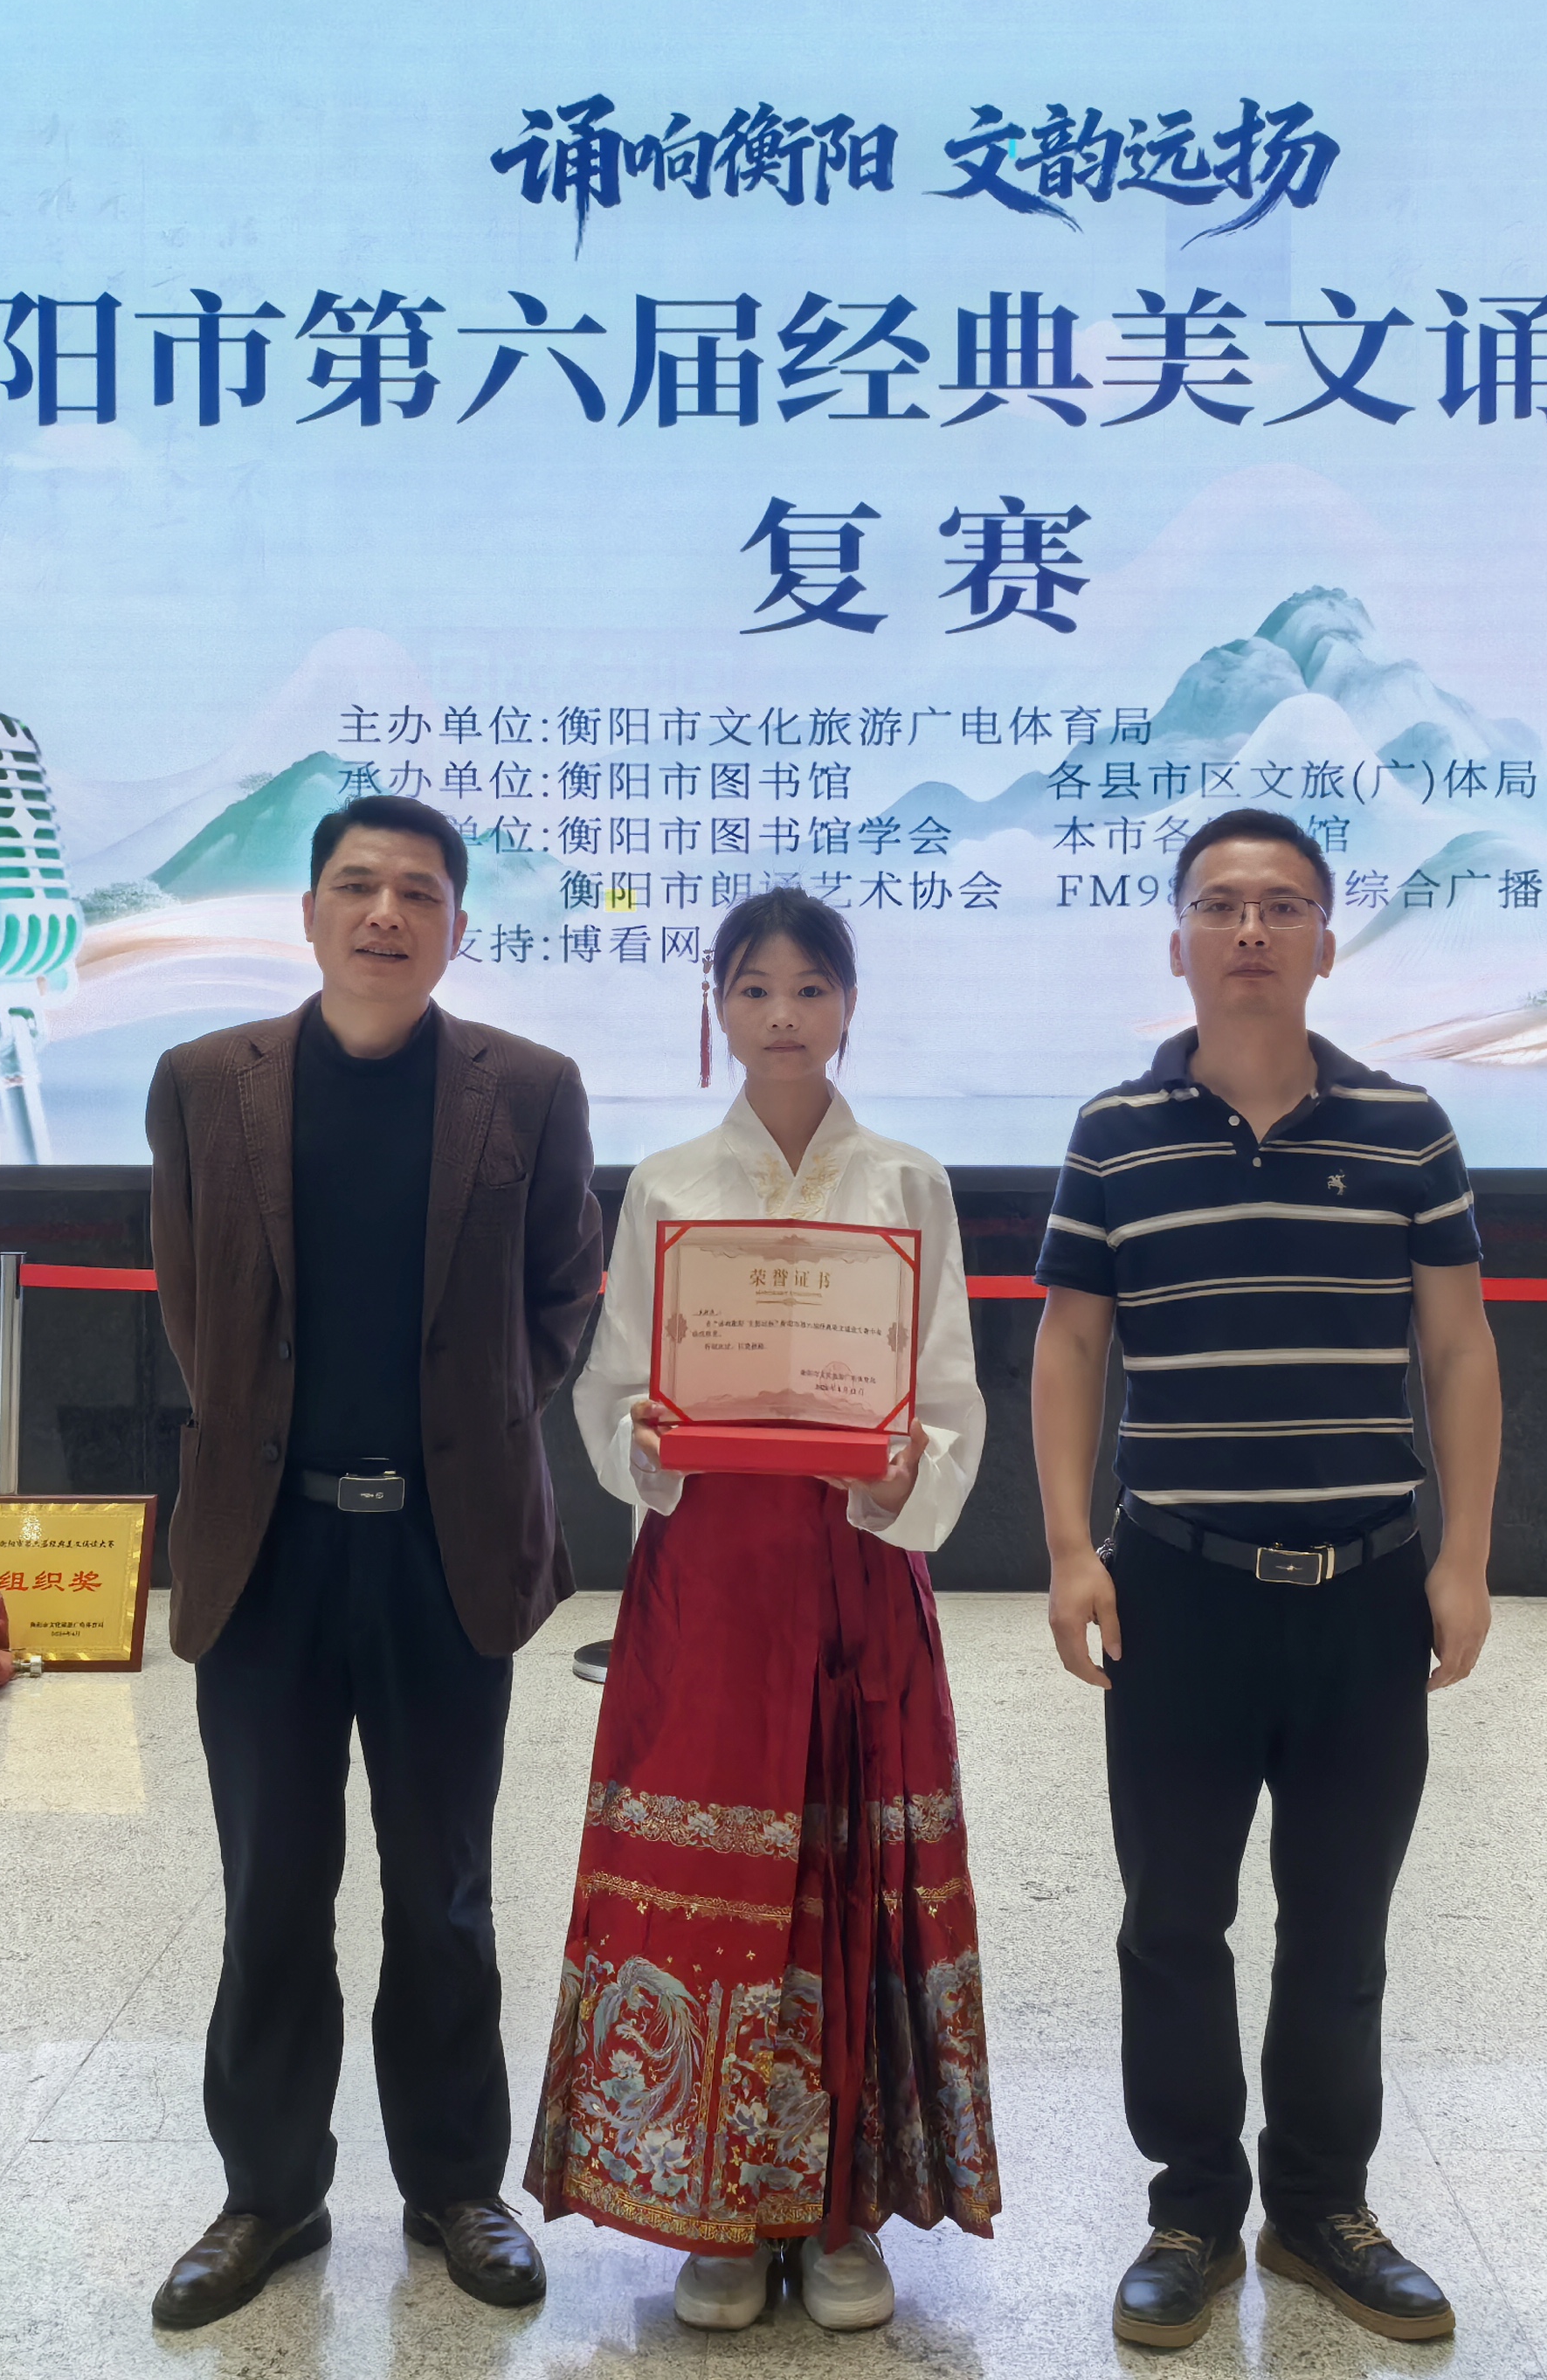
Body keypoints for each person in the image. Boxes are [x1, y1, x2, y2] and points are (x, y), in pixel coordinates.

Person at [1028, 807, 1501, 2351]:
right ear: (1176, 941)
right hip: (1180, 1589)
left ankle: (1319, 2207)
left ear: (1325, 942)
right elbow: (1072, 1345)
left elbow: (1458, 1348)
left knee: (1342, 1919)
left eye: (1281, 906)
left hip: (1368, 1589)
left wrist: (1466, 1561)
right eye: (1221, 906)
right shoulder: (1115, 1131)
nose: (1249, 931)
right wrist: (1069, 1549)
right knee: (1173, 1917)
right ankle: (1188, 2211)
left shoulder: (1407, 1128)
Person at [142, 795, 604, 2328]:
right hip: (265, 1547)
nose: (385, 913)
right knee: (272, 1887)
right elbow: (192, 1296)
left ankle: (456, 2185)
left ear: (458, 925)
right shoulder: (203, 1083)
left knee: (444, 1890)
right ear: (310, 913)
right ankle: (267, 2193)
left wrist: (469, 1426)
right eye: (356, 886)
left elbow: (564, 1296)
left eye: (418, 892)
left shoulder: (526, 1089)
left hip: (441, 1546)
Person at [526, 888, 998, 2334]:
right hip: (713, 1580)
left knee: (848, 1871)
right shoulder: (669, 1186)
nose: (783, 1016)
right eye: (753, 989)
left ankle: (842, 2210)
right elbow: (615, 1389)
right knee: (709, 1874)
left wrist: (907, 1469)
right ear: (718, 1010)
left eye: (809, 988)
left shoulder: (908, 1182)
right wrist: (647, 1440)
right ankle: (712, 2213)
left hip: (855, 1566)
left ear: (849, 1005)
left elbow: (948, 1388)